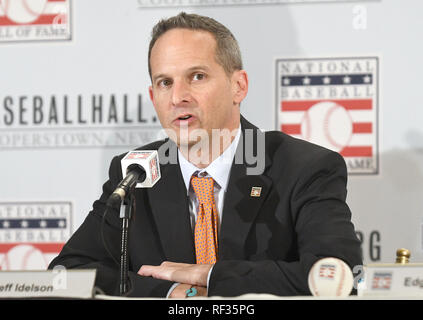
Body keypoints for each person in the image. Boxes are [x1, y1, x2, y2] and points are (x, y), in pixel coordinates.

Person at [48, 12, 362, 298]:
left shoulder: (304, 168)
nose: (178, 97)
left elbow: (339, 276)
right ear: (152, 96)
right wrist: (172, 292)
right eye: (165, 82)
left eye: (197, 76)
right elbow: (68, 272)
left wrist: (208, 275)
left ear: (239, 86)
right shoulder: (135, 171)